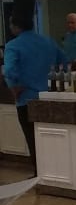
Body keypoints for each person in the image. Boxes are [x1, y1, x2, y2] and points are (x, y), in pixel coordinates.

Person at [3, 13, 65, 175]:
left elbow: (9, 70)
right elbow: (64, 63)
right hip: (51, 97)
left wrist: (14, 86)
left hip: (27, 98)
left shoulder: (13, 46)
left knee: (33, 138)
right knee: (53, 138)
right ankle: (57, 172)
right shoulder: (48, 41)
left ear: (16, 27)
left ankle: (40, 173)